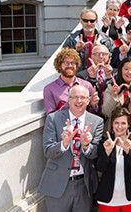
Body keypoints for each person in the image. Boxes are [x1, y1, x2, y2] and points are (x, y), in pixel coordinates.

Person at [39, 84, 104, 212]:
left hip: (83, 186)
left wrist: (86, 145)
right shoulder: (54, 118)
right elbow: (47, 151)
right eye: (74, 97)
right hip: (57, 184)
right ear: (68, 99)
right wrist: (64, 143)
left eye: (83, 97)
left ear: (88, 100)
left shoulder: (97, 122)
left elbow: (96, 153)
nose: (79, 101)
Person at [96, 107, 131, 211]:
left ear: (128, 125)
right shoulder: (104, 142)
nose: (119, 126)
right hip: (107, 197)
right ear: (112, 124)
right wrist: (107, 152)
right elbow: (100, 168)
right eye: (116, 123)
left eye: (123, 123)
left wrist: (128, 151)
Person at [43, 48, 98, 114]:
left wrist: (93, 105)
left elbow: (95, 113)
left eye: (73, 63)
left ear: (77, 65)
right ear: (59, 65)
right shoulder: (49, 89)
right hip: (63, 124)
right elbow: (51, 117)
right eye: (66, 63)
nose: (70, 66)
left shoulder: (87, 85)